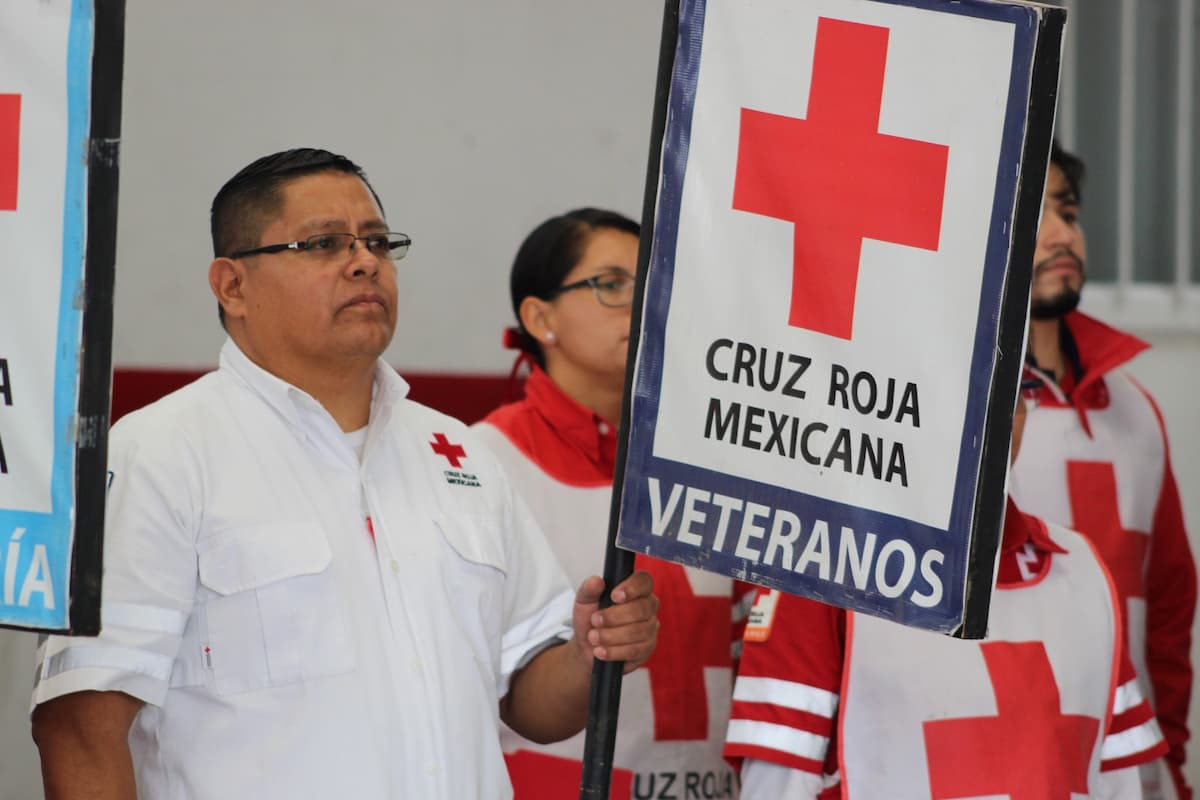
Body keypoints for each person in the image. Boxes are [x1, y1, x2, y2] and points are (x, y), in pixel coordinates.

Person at [28, 149, 660, 800]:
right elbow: (80, 724)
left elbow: (528, 700)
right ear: (232, 286)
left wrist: (592, 653)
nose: (365, 262)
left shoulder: (459, 457)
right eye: (325, 243)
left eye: (379, 242)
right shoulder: (160, 454)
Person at [724, 392, 1168, 798]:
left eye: (1012, 396)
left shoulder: (1082, 569)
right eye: (961, 387)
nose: (990, 416)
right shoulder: (819, 570)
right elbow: (776, 787)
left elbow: (1119, 783)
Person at [473, 208, 751, 799]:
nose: (641, 300)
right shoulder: (481, 464)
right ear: (539, 317)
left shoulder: (720, 460)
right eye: (610, 283)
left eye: (652, 279)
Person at [1010, 141, 1195, 799]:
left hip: (1132, 771)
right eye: (1035, 214)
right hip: (1004, 764)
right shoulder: (955, 421)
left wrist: (1167, 761)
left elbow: (1170, 606)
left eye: (1069, 210)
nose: (1064, 234)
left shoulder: (1134, 411)